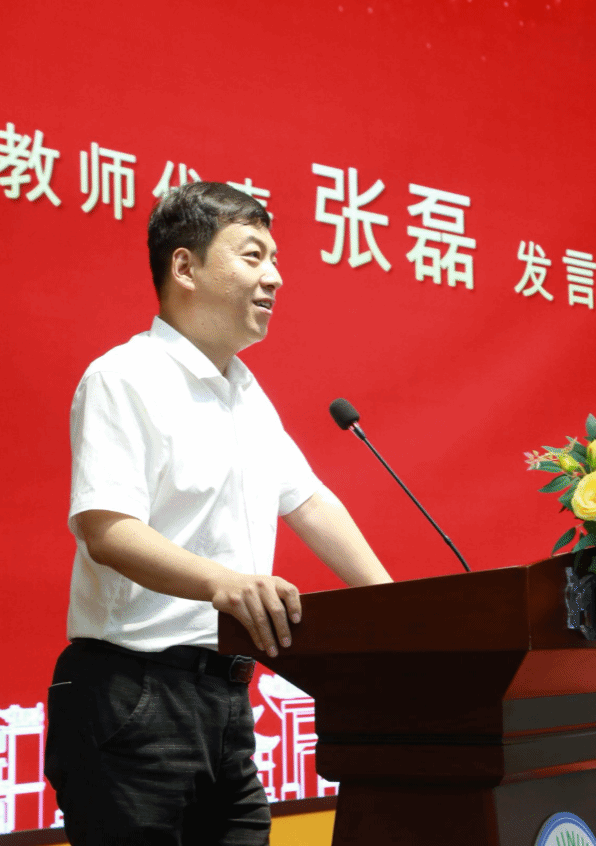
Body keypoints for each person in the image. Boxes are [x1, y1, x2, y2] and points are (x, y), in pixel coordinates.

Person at [44, 181, 392, 845]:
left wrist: (394, 604)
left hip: (226, 697)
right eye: (253, 256)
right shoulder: (125, 376)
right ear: (185, 267)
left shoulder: (245, 395)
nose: (275, 278)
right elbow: (107, 529)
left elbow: (310, 503)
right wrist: (222, 583)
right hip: (134, 694)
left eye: (275, 260)